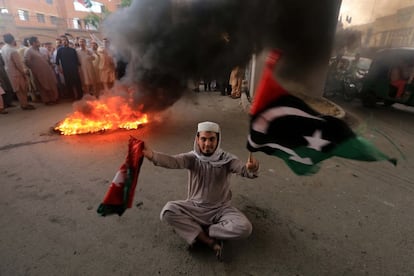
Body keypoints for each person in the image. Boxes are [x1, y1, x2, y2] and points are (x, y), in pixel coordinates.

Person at [142, 121, 259, 260]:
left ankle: (205, 231)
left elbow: (243, 170)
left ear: (218, 139)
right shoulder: (192, 158)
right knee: (168, 211)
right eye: (203, 139)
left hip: (220, 210)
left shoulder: (226, 159)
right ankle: (209, 241)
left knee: (245, 228)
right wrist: (152, 155)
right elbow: (173, 161)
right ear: (197, 139)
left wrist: (252, 169)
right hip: (195, 207)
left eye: (212, 139)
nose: (207, 144)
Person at [1, 33, 35, 110]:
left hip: (9, 72)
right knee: (23, 89)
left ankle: (23, 104)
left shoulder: (3, 48)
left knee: (18, 90)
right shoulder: (13, 50)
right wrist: (24, 73)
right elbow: (18, 64)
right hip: (17, 73)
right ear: (12, 40)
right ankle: (25, 104)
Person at [24, 36, 59, 105]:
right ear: (34, 43)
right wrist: (34, 68)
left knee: (51, 84)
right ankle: (47, 100)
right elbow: (26, 62)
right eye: (38, 41)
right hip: (39, 72)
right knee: (43, 86)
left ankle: (54, 98)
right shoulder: (29, 51)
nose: (39, 43)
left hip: (47, 71)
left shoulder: (39, 50)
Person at [56, 35, 83, 100]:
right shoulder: (59, 50)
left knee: (77, 82)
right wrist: (59, 68)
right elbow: (57, 61)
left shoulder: (73, 50)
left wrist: (79, 69)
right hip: (66, 69)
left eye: (65, 40)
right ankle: (72, 97)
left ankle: (80, 96)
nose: (64, 42)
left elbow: (76, 60)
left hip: (74, 69)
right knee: (68, 83)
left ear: (68, 42)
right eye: (63, 41)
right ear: (61, 42)